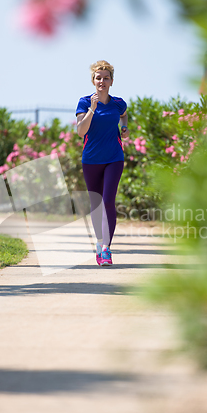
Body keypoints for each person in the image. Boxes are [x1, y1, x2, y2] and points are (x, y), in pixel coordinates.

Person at [76, 60, 129, 266]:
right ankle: (99, 243)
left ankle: (106, 248)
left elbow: (124, 116)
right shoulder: (84, 102)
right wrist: (92, 109)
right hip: (91, 160)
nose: (102, 81)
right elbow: (81, 131)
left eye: (106, 78)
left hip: (114, 158)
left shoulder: (118, 103)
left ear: (112, 81)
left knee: (108, 201)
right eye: (99, 77)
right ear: (93, 80)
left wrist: (124, 128)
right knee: (96, 204)